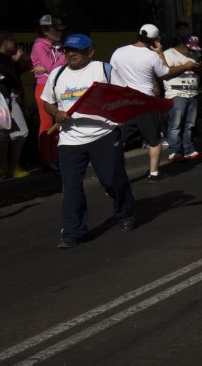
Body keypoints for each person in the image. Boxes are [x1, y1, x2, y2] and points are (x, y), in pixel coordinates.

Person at [40, 33, 135, 248]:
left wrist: (120, 118)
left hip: (103, 134)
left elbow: (122, 96)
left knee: (111, 180)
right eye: (67, 50)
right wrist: (56, 113)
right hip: (70, 139)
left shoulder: (103, 70)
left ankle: (125, 211)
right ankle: (73, 232)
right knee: (71, 186)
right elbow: (48, 101)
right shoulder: (57, 74)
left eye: (77, 51)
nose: (71, 54)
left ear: (90, 52)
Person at [111, 24, 196, 181]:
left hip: (124, 101)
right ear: (155, 40)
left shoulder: (118, 52)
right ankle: (154, 173)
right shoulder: (151, 56)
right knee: (154, 140)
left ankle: (116, 174)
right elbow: (166, 73)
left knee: (121, 140)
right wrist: (162, 54)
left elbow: (112, 74)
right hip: (145, 101)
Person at [0, 32, 32, 179]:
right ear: (5, 41)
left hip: (11, 98)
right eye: (13, 42)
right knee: (7, 132)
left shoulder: (8, 59)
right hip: (1, 99)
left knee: (15, 132)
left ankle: (11, 166)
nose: (15, 45)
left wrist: (16, 62)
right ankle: (5, 167)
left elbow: (14, 78)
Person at [30, 14, 66, 169]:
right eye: (56, 29)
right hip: (43, 87)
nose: (60, 32)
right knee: (46, 124)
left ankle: (55, 157)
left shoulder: (58, 46)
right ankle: (48, 160)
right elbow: (52, 68)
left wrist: (49, 67)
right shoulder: (39, 46)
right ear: (45, 30)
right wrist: (65, 55)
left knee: (58, 123)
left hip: (56, 86)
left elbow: (51, 67)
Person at [163, 33, 202, 162]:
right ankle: (175, 151)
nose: (192, 52)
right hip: (176, 94)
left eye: (194, 49)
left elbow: (197, 71)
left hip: (192, 94)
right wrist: (186, 66)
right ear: (181, 44)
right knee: (175, 124)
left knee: (189, 124)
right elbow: (165, 73)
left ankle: (188, 150)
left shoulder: (195, 55)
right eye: (190, 49)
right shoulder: (169, 54)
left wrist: (198, 68)